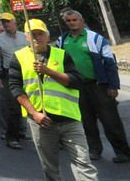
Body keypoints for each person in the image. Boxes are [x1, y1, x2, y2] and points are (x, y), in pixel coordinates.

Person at [8, 18, 100, 181]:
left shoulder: (62, 54)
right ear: (27, 37)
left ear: (47, 35)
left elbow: (76, 81)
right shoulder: (18, 58)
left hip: (69, 119)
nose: (37, 38)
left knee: (83, 163)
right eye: (32, 34)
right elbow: (16, 88)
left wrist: (48, 71)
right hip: (41, 122)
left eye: (40, 34)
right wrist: (34, 113)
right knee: (50, 168)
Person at [56, 9, 130, 163]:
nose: (71, 23)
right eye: (68, 21)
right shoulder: (62, 40)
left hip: (98, 86)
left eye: (74, 20)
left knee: (110, 120)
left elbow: (109, 62)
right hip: (77, 87)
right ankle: (95, 150)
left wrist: (113, 86)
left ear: (81, 21)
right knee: (87, 121)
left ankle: (123, 152)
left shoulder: (95, 38)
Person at [0, 12, 30, 149]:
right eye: (3, 22)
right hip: (10, 74)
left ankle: (22, 130)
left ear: (14, 22)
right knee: (12, 105)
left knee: (28, 103)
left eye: (8, 21)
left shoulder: (25, 36)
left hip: (28, 73)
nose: (6, 24)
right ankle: (11, 137)